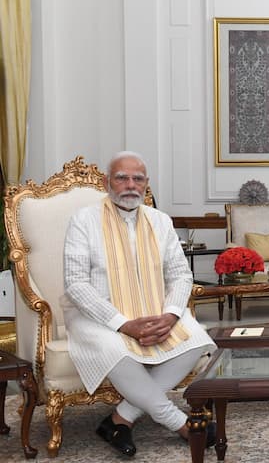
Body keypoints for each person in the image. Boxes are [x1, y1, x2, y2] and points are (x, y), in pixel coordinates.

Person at [63, 151, 217, 457]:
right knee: (113, 349)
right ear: (108, 182)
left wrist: (171, 316)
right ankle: (180, 423)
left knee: (197, 340)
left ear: (146, 184)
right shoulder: (84, 220)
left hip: (155, 309)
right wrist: (123, 324)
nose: (130, 185)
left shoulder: (160, 221)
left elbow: (180, 275)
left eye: (138, 179)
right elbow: (75, 284)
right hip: (97, 314)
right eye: (122, 177)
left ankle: (120, 419)